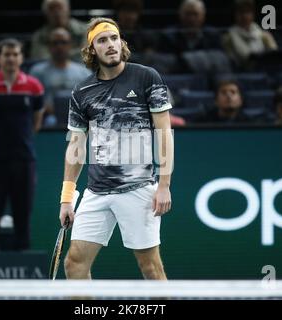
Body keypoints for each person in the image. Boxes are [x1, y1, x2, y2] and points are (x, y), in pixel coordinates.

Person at [59, 17, 174, 280]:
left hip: (138, 189)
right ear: (92, 50)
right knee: (74, 264)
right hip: (96, 192)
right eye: (102, 40)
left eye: (114, 38)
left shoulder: (147, 77)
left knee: (150, 267)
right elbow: (76, 146)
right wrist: (67, 198)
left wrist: (164, 185)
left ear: (121, 43)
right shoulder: (81, 91)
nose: (110, 44)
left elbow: (164, 134)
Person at [0, 38, 45, 251]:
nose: (11, 58)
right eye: (6, 54)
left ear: (21, 58)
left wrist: (22, 142)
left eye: (15, 54)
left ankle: (23, 269)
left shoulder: (34, 86)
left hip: (24, 161)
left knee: (23, 215)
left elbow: (36, 122)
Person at [29, 28, 92, 126]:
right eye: (55, 43)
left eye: (63, 42)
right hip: (49, 118)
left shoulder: (84, 72)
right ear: (49, 46)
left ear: (70, 45)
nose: (59, 46)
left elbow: (91, 100)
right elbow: (32, 100)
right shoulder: (37, 71)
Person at [222, 0, 278, 71]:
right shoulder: (228, 37)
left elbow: (275, 56)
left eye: (248, 12)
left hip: (263, 71)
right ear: (234, 15)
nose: (244, 16)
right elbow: (231, 62)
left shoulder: (264, 35)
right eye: (241, 12)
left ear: (253, 14)